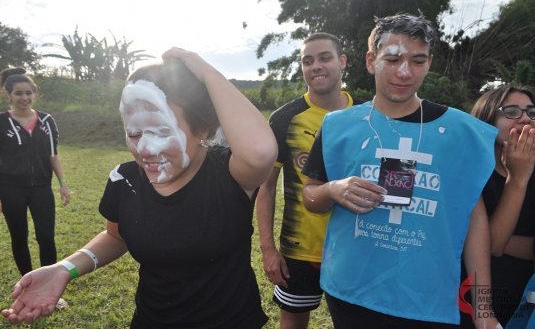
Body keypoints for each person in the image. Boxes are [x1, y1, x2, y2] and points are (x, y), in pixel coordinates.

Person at [1, 48, 277, 328]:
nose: (143, 149)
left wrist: (203, 70)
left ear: (203, 129)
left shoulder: (229, 173)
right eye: (133, 133)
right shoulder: (125, 178)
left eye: (160, 132)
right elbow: (116, 236)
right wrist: (64, 268)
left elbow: (262, 152)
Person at [301, 14, 501, 328]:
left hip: (427, 295)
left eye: (417, 61)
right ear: (371, 61)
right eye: (392, 59)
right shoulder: (338, 126)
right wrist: (332, 190)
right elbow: (310, 196)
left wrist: (485, 310)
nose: (404, 72)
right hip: (353, 291)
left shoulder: (461, 132)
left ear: (430, 62)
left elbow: (474, 218)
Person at [256, 32, 361, 328]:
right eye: (307, 60)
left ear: (342, 62)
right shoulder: (284, 118)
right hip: (299, 249)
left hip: (358, 246)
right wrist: (267, 248)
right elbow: (265, 186)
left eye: (324, 57)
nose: (316, 66)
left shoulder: (369, 113)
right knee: (292, 322)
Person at [460, 84, 535, 328]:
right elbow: (492, 247)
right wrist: (518, 179)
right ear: (487, 120)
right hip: (467, 299)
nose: (525, 118)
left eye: (531, 112)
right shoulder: (468, 173)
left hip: (523, 299)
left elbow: (493, 243)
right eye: (512, 111)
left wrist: (488, 238)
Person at [0, 67, 70, 276]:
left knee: (46, 237)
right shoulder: (2, 121)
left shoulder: (46, 121)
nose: (24, 98)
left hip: (41, 187)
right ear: (9, 94)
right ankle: (27, 284)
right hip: (10, 188)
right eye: (19, 93)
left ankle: (47, 283)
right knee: (19, 238)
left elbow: (52, 154)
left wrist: (62, 183)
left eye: (28, 93)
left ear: (34, 93)